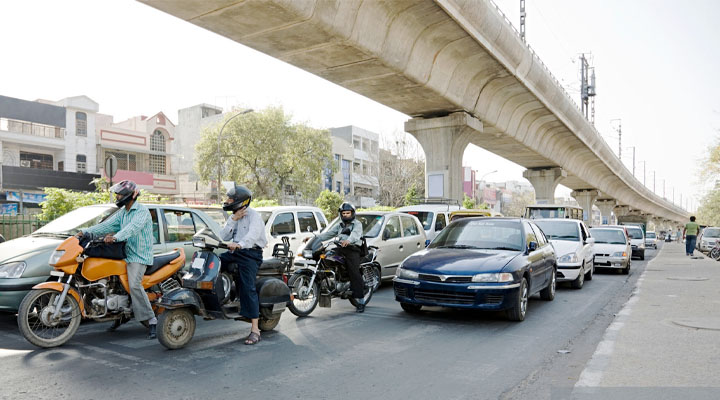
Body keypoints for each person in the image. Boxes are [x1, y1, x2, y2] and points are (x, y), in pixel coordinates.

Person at [77, 180, 157, 339]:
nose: (118, 196)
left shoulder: (141, 212)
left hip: (138, 256)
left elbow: (132, 229)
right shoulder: (123, 213)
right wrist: (84, 232)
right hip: (123, 254)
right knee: (115, 283)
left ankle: (151, 320)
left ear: (130, 196)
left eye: (120, 194)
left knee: (134, 285)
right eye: (117, 194)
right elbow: (106, 226)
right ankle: (121, 314)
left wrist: (116, 237)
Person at [219, 184, 267, 345]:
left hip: (251, 254)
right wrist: (233, 219)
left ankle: (255, 330)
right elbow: (223, 235)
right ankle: (223, 297)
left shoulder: (254, 216)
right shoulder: (234, 216)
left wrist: (240, 244)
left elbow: (253, 236)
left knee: (248, 287)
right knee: (214, 264)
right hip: (235, 252)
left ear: (240, 201)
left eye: (230, 199)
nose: (227, 201)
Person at [305, 202, 366, 312]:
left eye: (348, 213)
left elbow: (355, 234)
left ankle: (361, 301)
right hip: (341, 247)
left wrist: (348, 240)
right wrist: (313, 238)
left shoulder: (357, 224)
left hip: (353, 249)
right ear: (341, 214)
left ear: (352, 213)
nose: (346, 215)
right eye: (344, 213)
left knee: (354, 272)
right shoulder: (339, 225)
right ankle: (334, 281)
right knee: (326, 258)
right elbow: (328, 234)